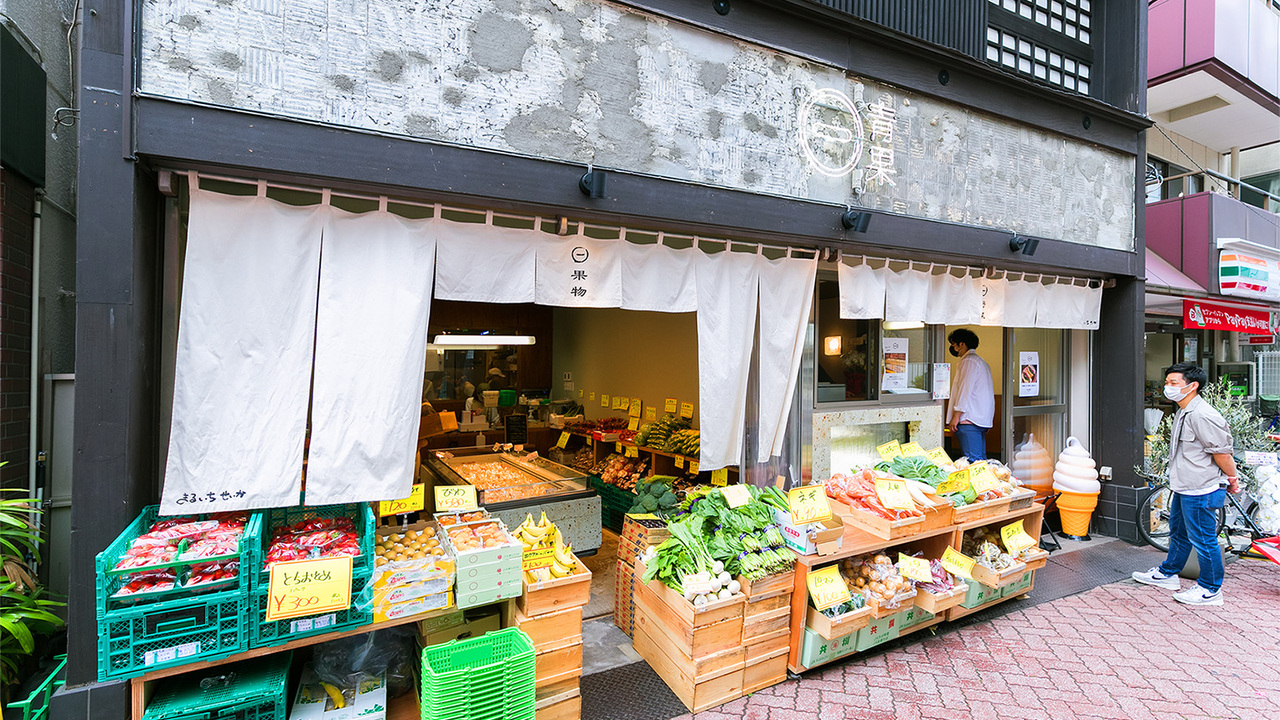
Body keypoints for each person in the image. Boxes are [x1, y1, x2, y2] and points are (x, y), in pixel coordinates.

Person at [1132, 363, 1240, 606]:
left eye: (1173, 383)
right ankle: (1168, 573)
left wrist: (1232, 478)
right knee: (1179, 533)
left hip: (1201, 488)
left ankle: (1210, 590)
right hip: (1184, 485)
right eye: (1167, 382)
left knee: (1203, 539)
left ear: (1192, 386)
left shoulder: (1203, 414)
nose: (1167, 388)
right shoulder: (1184, 410)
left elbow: (1221, 453)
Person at [946, 328, 994, 462]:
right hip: (980, 419)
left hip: (968, 419)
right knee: (980, 461)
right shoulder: (981, 362)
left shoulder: (969, 361)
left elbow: (964, 389)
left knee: (974, 461)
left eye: (953, 344)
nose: (952, 348)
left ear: (962, 344)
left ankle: (982, 484)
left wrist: (956, 415)